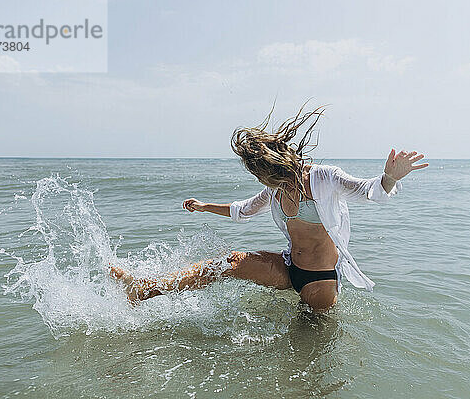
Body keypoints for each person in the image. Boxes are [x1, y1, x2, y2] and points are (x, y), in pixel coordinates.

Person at [110, 105, 428, 311]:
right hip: (290, 267)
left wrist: (389, 177)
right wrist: (206, 206)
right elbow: (243, 210)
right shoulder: (273, 190)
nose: (274, 186)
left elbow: (369, 191)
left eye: (274, 179)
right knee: (229, 263)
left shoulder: (325, 178)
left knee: (308, 347)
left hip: (321, 280)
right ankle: (145, 289)